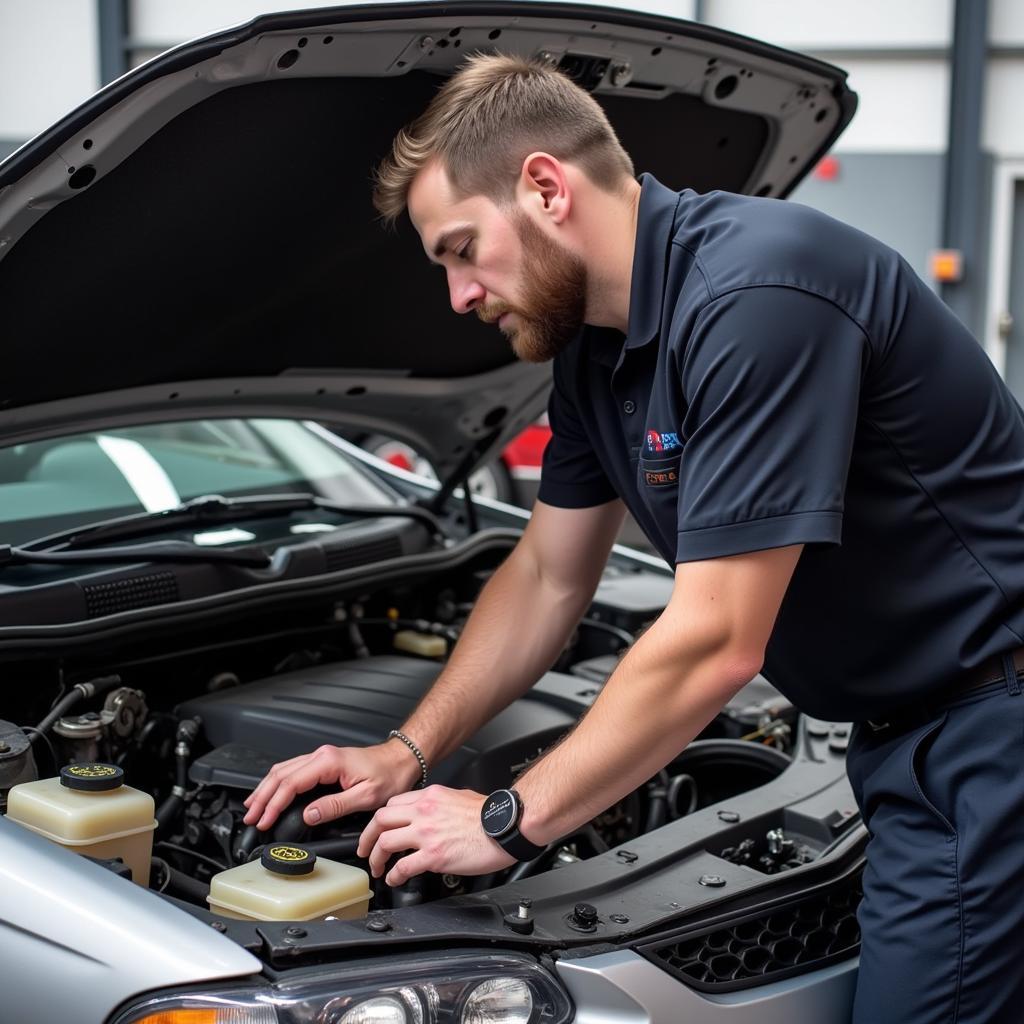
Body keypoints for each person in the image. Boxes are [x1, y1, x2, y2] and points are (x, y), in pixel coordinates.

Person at [243, 54, 1024, 1023]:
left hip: (984, 732)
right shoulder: (594, 356)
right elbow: (544, 576)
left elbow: (716, 637)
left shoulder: (755, 298)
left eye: (459, 249)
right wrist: (408, 748)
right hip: (901, 737)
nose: (456, 296)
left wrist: (505, 820)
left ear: (543, 186)